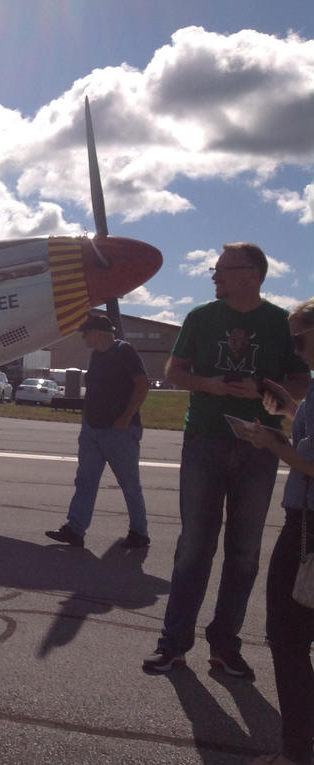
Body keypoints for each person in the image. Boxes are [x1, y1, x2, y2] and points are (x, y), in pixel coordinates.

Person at [143, 243, 310, 679]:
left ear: (251, 274)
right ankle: (173, 644)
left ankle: (225, 646)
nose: (213, 276)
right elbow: (174, 372)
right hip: (204, 440)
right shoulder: (201, 317)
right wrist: (211, 385)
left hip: (260, 446)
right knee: (194, 546)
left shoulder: (279, 323)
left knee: (244, 552)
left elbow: (301, 379)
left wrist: (265, 393)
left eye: (221, 270)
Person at [242, 297, 314, 765]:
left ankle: (296, 751)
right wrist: (290, 411)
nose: (296, 349)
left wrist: (271, 443)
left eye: (299, 338)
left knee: (287, 640)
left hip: (308, 528)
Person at [45, 313, 150, 549]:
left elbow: (142, 384)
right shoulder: (96, 356)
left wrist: (126, 418)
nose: (83, 337)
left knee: (130, 484)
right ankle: (75, 529)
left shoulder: (125, 351)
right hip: (92, 431)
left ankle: (139, 533)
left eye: (86, 333)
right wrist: (86, 423)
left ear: (99, 333)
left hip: (119, 432)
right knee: (85, 481)